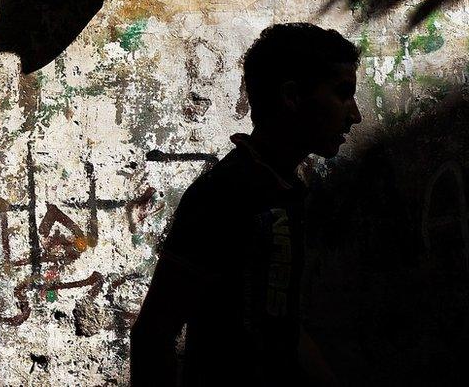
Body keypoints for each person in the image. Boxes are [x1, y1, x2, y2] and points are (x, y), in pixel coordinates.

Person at [130, 23, 362, 386]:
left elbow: (279, 323)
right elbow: (153, 334)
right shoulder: (223, 195)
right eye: (342, 93)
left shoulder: (283, 190)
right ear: (292, 96)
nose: (354, 114)